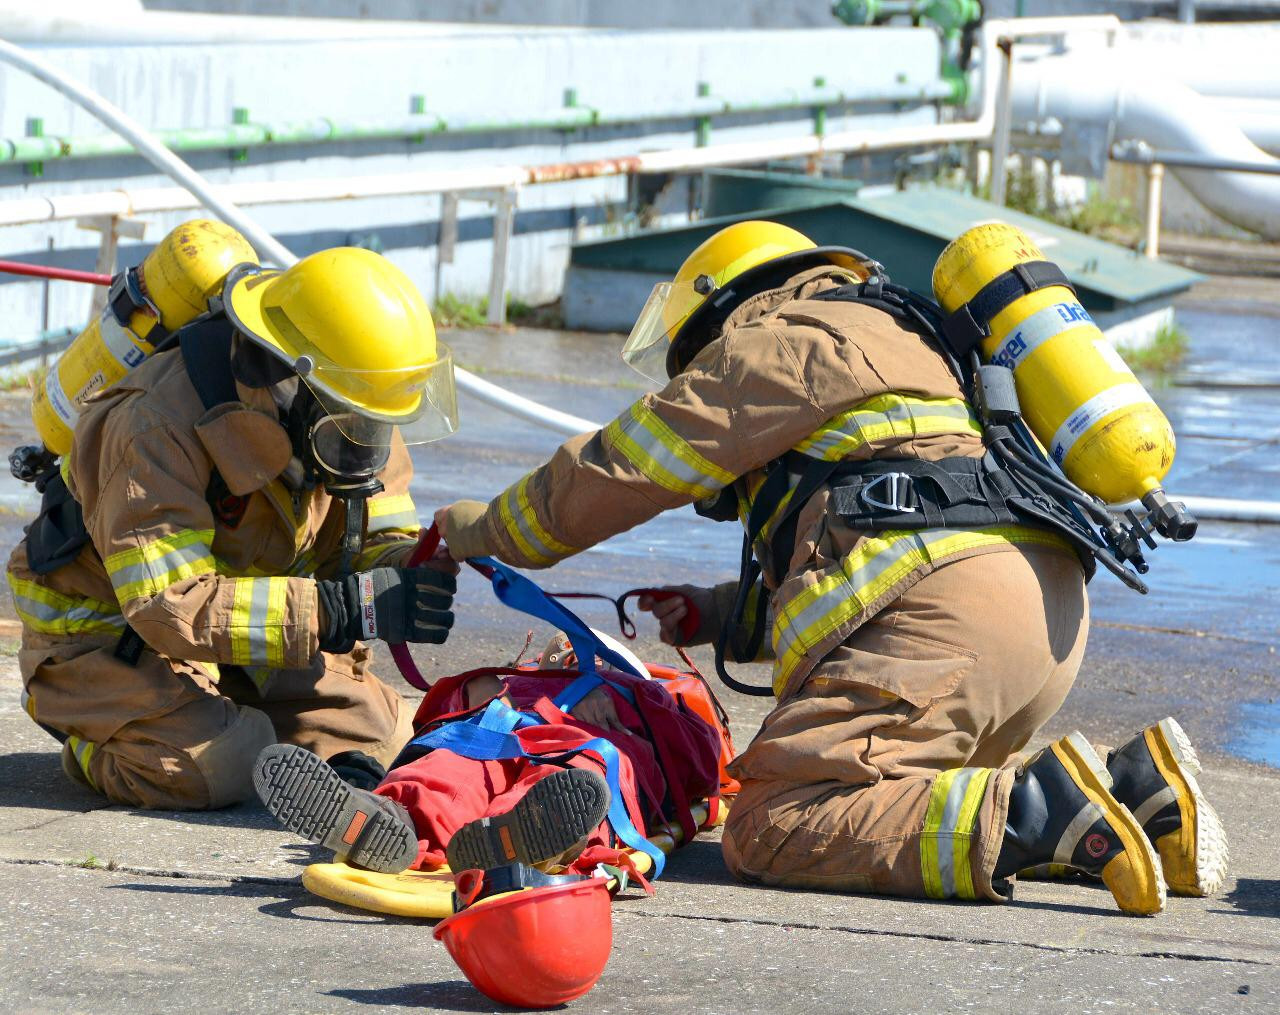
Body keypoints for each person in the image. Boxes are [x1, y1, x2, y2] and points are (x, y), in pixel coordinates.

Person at [433, 220, 1227, 914]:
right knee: (898, 799)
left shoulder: (779, 341)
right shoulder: (918, 337)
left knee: (776, 820)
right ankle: (1139, 793)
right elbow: (881, 534)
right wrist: (719, 612)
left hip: (945, 617)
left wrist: (489, 530)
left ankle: (1039, 806)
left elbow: (624, 465)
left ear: (724, 311)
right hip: (1044, 617)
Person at [8, 246, 459, 810]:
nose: (366, 439)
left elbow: (378, 525)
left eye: (377, 420)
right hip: (103, 634)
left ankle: (245, 722)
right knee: (220, 765)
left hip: (240, 633)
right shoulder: (152, 425)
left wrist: (404, 572)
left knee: (384, 737)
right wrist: (334, 610)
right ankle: (91, 743)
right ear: (283, 376)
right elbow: (167, 604)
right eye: (354, 417)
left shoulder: (346, 409)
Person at [251, 632, 723, 878]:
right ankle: (388, 819)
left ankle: (531, 835)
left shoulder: (643, 698)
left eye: (575, 649)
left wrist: (617, 695)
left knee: (579, 781)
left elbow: (702, 766)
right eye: (555, 650)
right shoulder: (508, 681)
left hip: (585, 749)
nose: (562, 652)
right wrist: (487, 692)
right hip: (496, 735)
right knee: (447, 769)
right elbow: (434, 724)